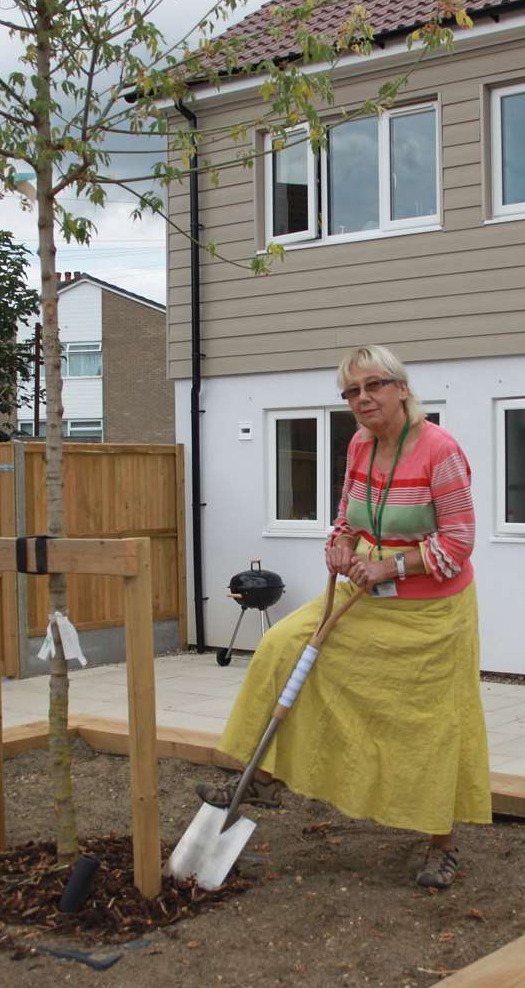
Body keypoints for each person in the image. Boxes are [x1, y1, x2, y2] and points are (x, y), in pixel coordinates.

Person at [199, 344, 489, 889]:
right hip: (362, 594)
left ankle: (442, 845)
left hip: (431, 611)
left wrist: (390, 568)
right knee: (281, 647)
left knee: (427, 726)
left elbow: (459, 542)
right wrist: (338, 545)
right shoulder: (359, 444)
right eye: (351, 392)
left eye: (373, 385)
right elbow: (346, 518)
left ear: (401, 388)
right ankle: (262, 776)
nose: (362, 399)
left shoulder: (439, 450)